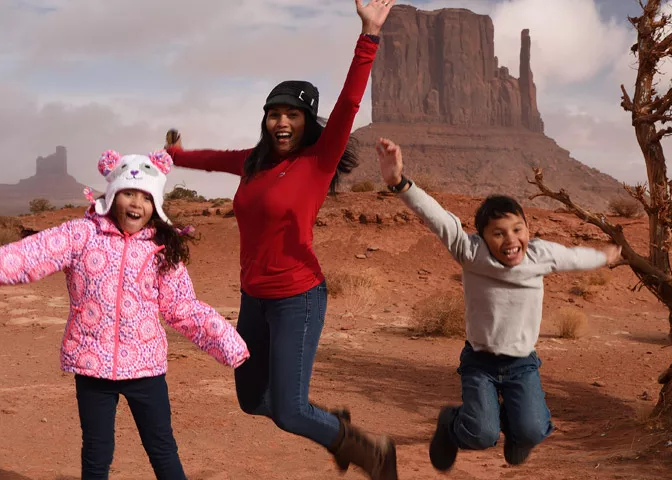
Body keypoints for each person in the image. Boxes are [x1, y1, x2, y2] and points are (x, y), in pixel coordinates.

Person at [160, 1, 398, 478]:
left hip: (298, 298)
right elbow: (213, 159)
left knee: (289, 411)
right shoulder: (253, 160)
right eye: (274, 114)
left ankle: (370, 452)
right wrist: (176, 156)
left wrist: (368, 35)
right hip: (255, 300)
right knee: (253, 401)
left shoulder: (317, 161)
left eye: (292, 114)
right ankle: (334, 427)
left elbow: (349, 103)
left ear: (307, 122)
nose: (282, 123)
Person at [0, 149, 250, 480]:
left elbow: (182, 307)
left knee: (162, 448)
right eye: (128, 193)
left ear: (155, 204)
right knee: (97, 452)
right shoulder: (81, 235)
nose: (136, 204)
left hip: (146, 368)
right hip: (93, 365)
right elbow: (28, 255)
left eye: (145, 196)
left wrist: (228, 343)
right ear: (113, 195)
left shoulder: (161, 249)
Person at [372, 138, 622, 471]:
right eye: (498, 233)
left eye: (517, 229)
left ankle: (517, 432)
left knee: (533, 429)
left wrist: (606, 256)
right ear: (483, 237)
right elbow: (436, 217)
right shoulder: (470, 252)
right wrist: (399, 183)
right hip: (480, 363)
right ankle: (451, 424)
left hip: (522, 364)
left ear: (528, 229)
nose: (510, 240)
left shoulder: (540, 255)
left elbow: (575, 256)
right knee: (480, 434)